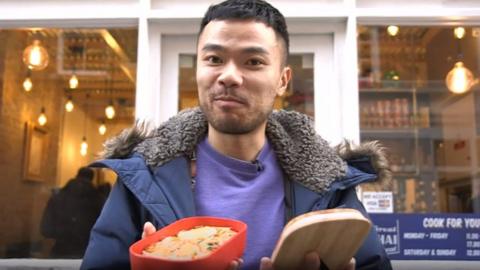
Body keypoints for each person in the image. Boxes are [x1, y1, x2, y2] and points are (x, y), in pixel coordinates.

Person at [81, 0, 392, 269]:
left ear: (283, 80)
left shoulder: (328, 183)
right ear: (198, 69)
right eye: (214, 59)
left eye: (253, 62)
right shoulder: (146, 175)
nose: (228, 76)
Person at [41, 167, 105, 258]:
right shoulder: (99, 199)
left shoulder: (58, 196)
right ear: (92, 179)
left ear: (76, 176)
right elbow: (106, 231)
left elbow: (45, 229)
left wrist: (64, 234)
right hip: (88, 254)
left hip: (60, 253)